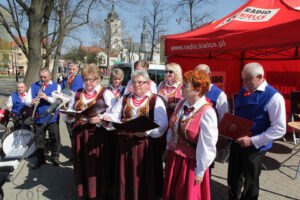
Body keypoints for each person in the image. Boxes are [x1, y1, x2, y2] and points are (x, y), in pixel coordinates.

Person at [103, 70, 168, 200]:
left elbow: (162, 124)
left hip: (144, 146)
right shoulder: (125, 98)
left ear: (147, 84)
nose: (136, 85)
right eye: (134, 82)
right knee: (125, 174)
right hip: (125, 144)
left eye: (140, 82)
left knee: (142, 175)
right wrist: (108, 120)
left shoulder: (155, 100)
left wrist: (147, 131)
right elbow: (115, 116)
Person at [227, 62, 286, 200]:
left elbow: (279, 129)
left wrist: (252, 140)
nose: (244, 82)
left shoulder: (274, 97)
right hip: (237, 142)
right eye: (243, 79)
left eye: (247, 79)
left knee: (251, 183)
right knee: (233, 178)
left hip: (255, 148)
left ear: (260, 77)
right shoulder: (244, 90)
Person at [162, 70, 218, 200]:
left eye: (185, 86)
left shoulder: (207, 112)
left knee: (187, 195)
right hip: (174, 157)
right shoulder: (182, 103)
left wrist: (200, 170)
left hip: (191, 163)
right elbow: (172, 128)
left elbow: (207, 145)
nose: (181, 87)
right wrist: (167, 148)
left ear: (197, 90)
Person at [67, 63, 116, 199]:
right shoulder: (78, 93)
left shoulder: (106, 93)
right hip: (79, 134)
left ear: (98, 79)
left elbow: (113, 115)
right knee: (81, 161)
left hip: (97, 135)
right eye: (85, 79)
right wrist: (69, 116)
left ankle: (99, 191)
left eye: (91, 79)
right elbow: (71, 109)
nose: (88, 82)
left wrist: (100, 119)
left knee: (97, 163)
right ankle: (84, 190)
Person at [25, 68, 61, 168]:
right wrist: (31, 102)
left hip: (51, 117)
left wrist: (46, 98)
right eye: (41, 77)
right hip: (38, 117)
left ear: (50, 76)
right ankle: (40, 159)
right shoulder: (34, 86)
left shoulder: (56, 86)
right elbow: (26, 101)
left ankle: (55, 157)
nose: (43, 79)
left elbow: (58, 101)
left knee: (54, 137)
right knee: (39, 140)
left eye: (45, 77)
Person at [61, 62, 84, 142]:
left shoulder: (81, 79)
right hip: (67, 108)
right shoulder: (65, 79)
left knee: (78, 131)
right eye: (70, 69)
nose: (71, 71)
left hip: (77, 108)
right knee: (70, 131)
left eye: (74, 69)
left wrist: (73, 93)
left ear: (78, 69)